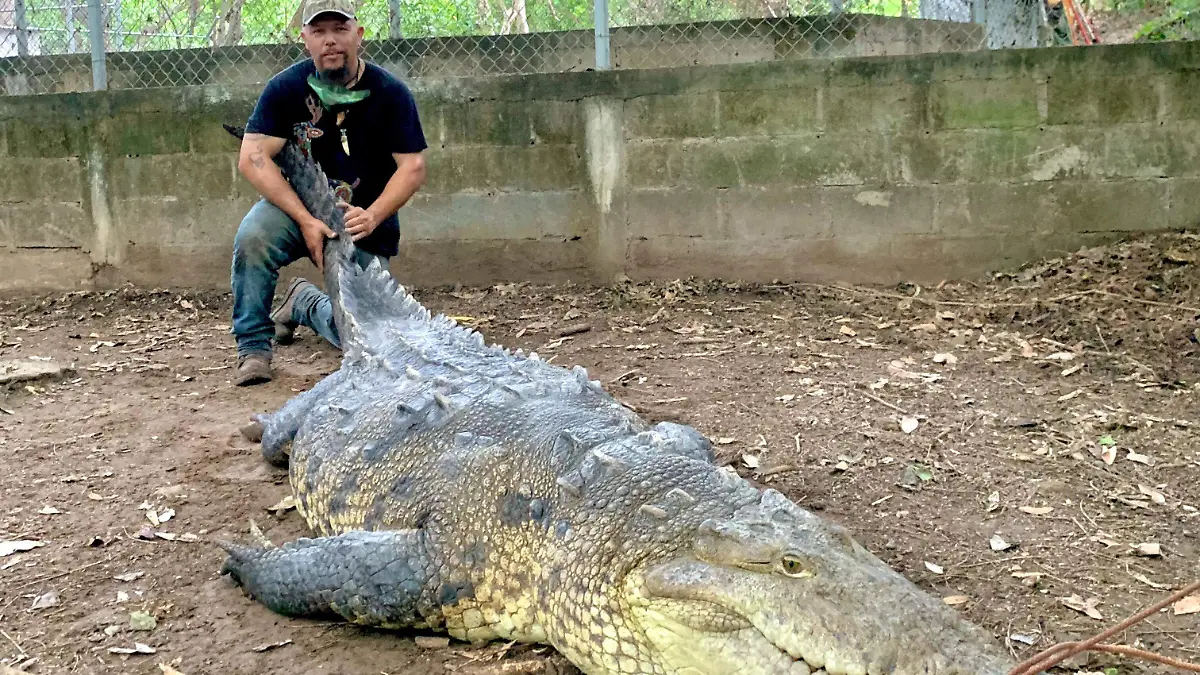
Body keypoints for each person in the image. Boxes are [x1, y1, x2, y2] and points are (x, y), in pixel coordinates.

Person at [229, 0, 427, 386]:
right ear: (305, 40)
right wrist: (305, 220)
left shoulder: (390, 93)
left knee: (372, 339)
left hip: (361, 221)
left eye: (339, 29)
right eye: (319, 32)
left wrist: (374, 215)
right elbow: (252, 157)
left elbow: (412, 167)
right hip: (296, 209)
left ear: (359, 34)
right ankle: (253, 348)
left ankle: (304, 304)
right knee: (253, 238)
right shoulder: (285, 88)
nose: (330, 41)